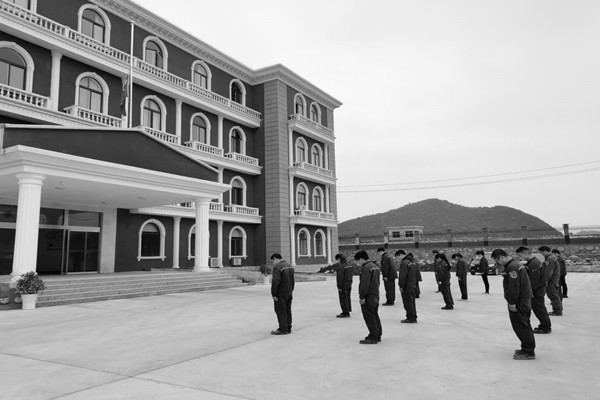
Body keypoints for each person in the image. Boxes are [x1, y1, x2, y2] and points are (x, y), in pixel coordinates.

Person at [492, 249, 536, 360]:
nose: (497, 263)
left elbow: (514, 287)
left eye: (497, 261)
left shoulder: (512, 267)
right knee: (524, 324)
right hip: (523, 299)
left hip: (520, 301)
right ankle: (527, 348)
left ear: (501, 257)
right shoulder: (516, 264)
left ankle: (528, 351)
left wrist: (512, 302)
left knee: (522, 326)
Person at [516, 247, 551, 334]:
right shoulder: (532, 262)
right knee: (539, 308)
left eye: (520, 255)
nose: (520, 257)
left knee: (539, 309)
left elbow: (534, 281)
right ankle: (545, 325)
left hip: (537, 291)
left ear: (525, 254)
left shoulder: (534, 263)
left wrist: (529, 292)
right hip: (537, 290)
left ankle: (545, 327)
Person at [355, 250, 382, 344]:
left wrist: (362, 297)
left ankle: (373, 336)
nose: (358, 263)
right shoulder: (375, 266)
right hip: (375, 294)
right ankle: (378, 334)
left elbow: (364, 284)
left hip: (368, 296)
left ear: (361, 259)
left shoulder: (366, 268)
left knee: (369, 317)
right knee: (375, 315)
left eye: (358, 261)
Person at [270, 253, 295, 335]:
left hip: (281, 293)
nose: (273, 263)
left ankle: (283, 329)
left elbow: (276, 282)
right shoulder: (289, 265)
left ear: (275, 259)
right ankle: (288, 328)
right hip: (289, 292)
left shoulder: (278, 267)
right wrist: (291, 290)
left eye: (272, 261)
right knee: (288, 310)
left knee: (281, 311)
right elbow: (292, 280)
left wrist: (274, 294)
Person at [539, 246, 563, 316]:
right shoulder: (552, 257)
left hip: (551, 281)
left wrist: (545, 280)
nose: (541, 254)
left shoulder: (550, 259)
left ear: (545, 251)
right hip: (554, 280)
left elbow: (548, 272)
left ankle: (557, 311)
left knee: (553, 295)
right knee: (554, 295)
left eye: (541, 252)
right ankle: (558, 310)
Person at [398, 251, 417, 323]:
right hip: (411, 284)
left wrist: (401, 285)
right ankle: (413, 316)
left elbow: (402, 275)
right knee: (411, 302)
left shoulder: (404, 263)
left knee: (407, 302)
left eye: (397, 257)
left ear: (401, 255)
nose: (398, 259)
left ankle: (410, 317)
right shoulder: (411, 262)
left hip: (406, 285)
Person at [334, 253, 353, 318]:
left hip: (343, 285)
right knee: (347, 297)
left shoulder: (341, 266)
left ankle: (345, 312)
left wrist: (339, 286)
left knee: (343, 298)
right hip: (349, 283)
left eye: (337, 260)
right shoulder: (349, 265)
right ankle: (348, 310)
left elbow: (340, 277)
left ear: (339, 259)